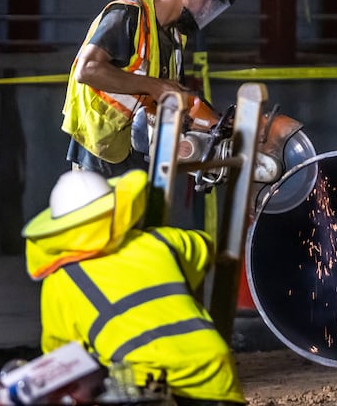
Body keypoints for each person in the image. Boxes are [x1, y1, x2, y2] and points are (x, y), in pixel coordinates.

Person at [21, 169, 246, 405]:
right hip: (215, 373)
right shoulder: (161, 242)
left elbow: (62, 361)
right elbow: (204, 246)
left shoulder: (58, 283)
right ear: (117, 209)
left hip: (146, 385)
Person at [61, 0, 237, 177]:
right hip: (98, 155)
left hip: (139, 157)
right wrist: (155, 86)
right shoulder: (128, 14)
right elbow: (87, 70)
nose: (208, 9)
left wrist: (216, 122)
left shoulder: (176, 38)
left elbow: (177, 97)